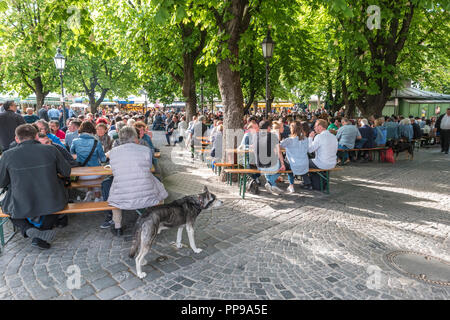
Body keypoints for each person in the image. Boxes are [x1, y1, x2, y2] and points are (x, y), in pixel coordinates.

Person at [0, 124, 71, 249]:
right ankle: (40, 235)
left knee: (8, 208)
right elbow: (66, 172)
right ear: (37, 136)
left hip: (21, 199)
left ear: (17, 139)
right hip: (51, 197)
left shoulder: (7, 155)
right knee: (57, 205)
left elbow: (1, 182)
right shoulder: (51, 150)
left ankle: (28, 229)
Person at [106, 126, 168, 236]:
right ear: (134, 137)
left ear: (120, 138)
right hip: (145, 190)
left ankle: (118, 226)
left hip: (123, 193)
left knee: (114, 197)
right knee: (160, 189)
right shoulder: (145, 150)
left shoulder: (113, 152)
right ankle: (155, 222)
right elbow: (149, 167)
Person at [71, 121, 107, 201]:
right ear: (92, 131)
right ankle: (97, 197)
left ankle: (89, 192)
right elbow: (103, 159)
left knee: (90, 172)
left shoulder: (75, 141)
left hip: (80, 175)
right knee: (99, 173)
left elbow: (72, 155)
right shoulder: (96, 142)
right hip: (95, 174)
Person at [252, 121, 285, 194]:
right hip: (270, 165)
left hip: (259, 165)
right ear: (268, 128)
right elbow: (279, 151)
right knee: (283, 166)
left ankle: (272, 185)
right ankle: (271, 183)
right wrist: (282, 163)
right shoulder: (273, 136)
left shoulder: (255, 136)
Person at [280, 121, 310, 193]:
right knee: (296, 159)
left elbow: (277, 145)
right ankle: (307, 182)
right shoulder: (306, 139)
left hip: (293, 165)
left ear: (292, 129)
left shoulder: (289, 140)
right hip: (305, 165)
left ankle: (291, 185)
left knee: (286, 161)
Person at [308, 119, 338, 189]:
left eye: (315, 126)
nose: (314, 128)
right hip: (332, 163)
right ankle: (317, 182)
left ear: (320, 127)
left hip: (322, 163)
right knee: (312, 161)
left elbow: (309, 150)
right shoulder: (333, 136)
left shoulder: (319, 136)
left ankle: (307, 183)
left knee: (303, 162)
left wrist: (310, 138)